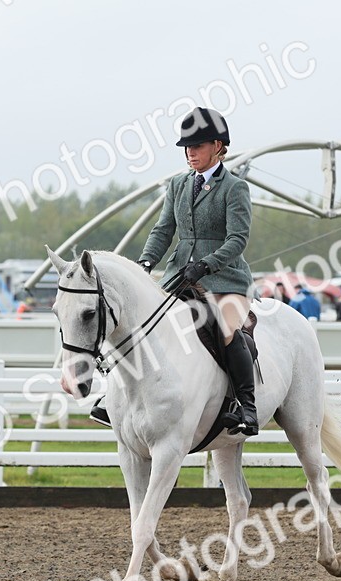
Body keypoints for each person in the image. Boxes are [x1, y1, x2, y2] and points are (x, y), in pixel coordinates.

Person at [90, 106, 257, 436]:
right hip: (180, 274)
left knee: (225, 328)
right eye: (187, 148)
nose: (190, 153)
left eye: (197, 146)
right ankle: (116, 399)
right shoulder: (179, 184)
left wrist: (208, 263)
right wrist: (146, 263)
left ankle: (245, 405)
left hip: (224, 278)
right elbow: (163, 229)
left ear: (218, 146)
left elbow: (238, 238)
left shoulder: (234, 187)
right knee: (141, 324)